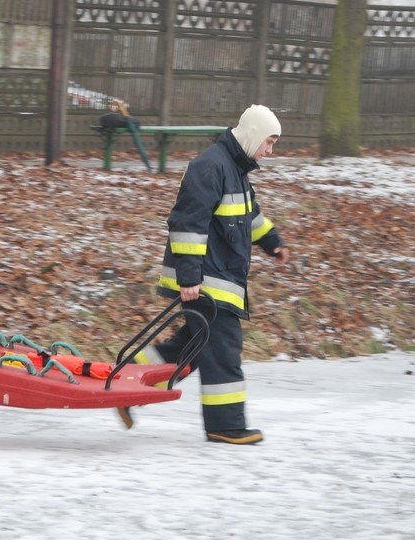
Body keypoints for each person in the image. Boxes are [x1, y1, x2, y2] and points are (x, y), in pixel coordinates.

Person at [121, 104, 290, 445]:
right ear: (253, 135)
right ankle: (225, 425)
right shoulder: (210, 167)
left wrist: (271, 241)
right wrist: (189, 278)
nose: (270, 151)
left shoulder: (235, 169)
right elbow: (187, 224)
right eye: (269, 142)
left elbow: (249, 216)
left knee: (193, 347)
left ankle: (126, 383)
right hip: (205, 282)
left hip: (216, 279)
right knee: (223, 349)